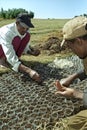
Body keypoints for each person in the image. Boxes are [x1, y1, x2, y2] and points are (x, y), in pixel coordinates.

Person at [55, 16, 87, 130]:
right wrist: (73, 77)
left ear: (79, 41)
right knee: (71, 125)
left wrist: (76, 94)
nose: (70, 50)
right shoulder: (85, 51)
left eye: (70, 46)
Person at [0, 13, 42, 83]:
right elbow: (9, 52)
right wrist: (29, 71)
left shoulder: (25, 30)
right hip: (2, 47)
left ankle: (16, 61)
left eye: (27, 28)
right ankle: (2, 60)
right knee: (16, 39)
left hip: (9, 48)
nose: (25, 30)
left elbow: (25, 46)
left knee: (27, 36)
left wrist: (31, 52)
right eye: (23, 27)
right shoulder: (7, 32)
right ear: (17, 23)